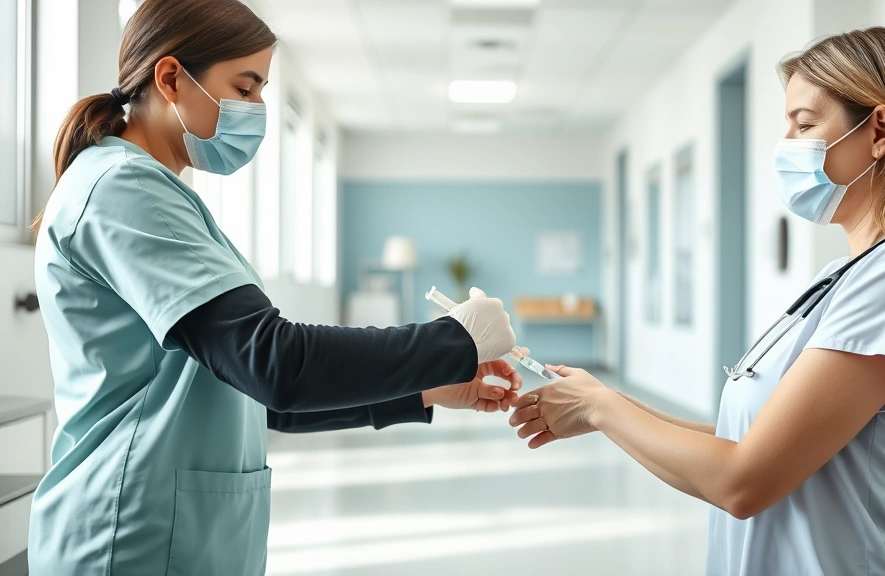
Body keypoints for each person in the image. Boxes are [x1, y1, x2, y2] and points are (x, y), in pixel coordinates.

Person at [30, 0, 521, 573]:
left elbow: (248, 391)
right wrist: (452, 341)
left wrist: (427, 388)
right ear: (170, 78)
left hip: (175, 530)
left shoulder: (157, 194)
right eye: (245, 88)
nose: (257, 109)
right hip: (129, 532)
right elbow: (276, 363)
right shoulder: (124, 190)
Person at [510, 27, 885, 576]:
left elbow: (742, 480)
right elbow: (746, 443)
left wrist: (599, 408)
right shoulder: (850, 273)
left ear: (880, 130)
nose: (787, 145)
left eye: (805, 124)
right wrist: (606, 404)